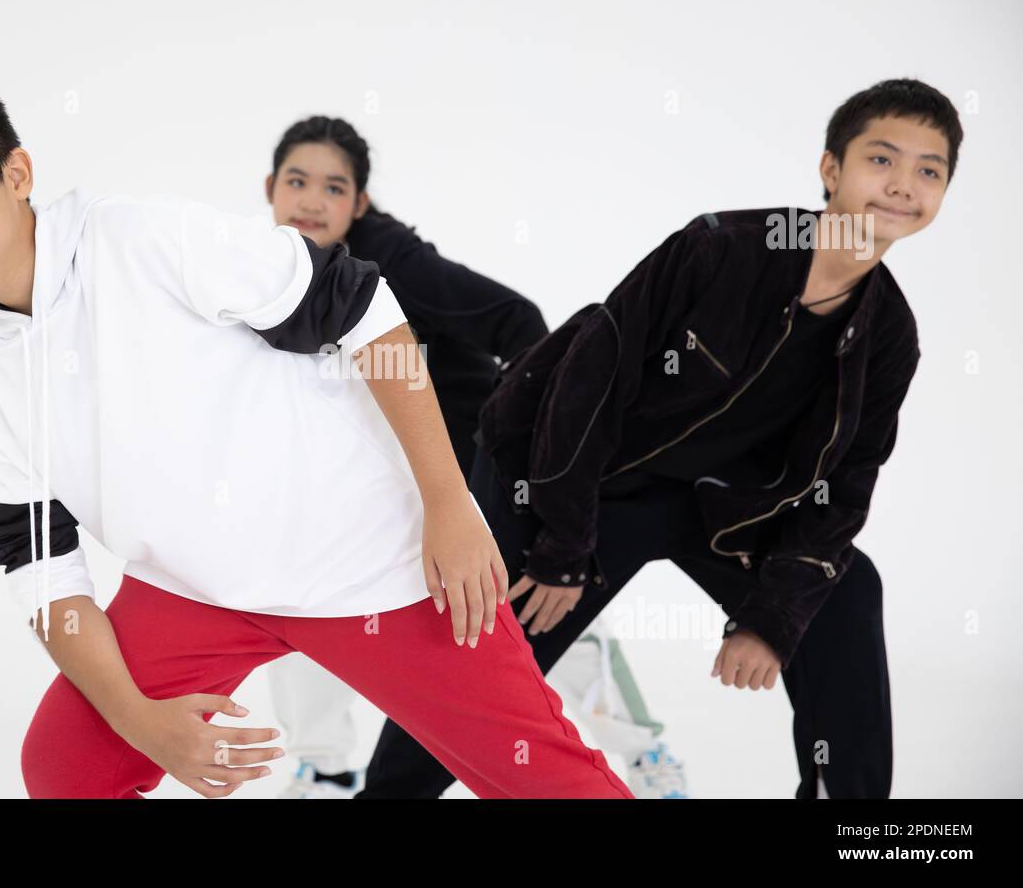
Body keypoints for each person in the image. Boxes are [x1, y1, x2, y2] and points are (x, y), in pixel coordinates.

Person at [0, 71, 634, 799]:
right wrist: (136, 720)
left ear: (15, 174)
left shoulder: (140, 239)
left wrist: (450, 504)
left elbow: (362, 306)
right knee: (67, 765)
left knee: (551, 783)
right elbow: (41, 564)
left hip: (376, 568)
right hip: (198, 596)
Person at [356, 77, 960, 799]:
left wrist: (770, 617)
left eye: (930, 171)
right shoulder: (724, 249)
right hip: (564, 474)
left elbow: (846, 488)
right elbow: (588, 382)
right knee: (488, 651)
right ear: (832, 170)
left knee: (848, 587)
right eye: (882, 160)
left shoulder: (889, 333)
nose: (903, 185)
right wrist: (561, 548)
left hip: (714, 510)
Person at [261, 116, 691, 798]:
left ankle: (647, 755)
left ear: (360, 204)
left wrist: (528, 446)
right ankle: (329, 768)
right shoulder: (267, 270)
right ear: (270, 189)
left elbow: (517, 319)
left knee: (529, 621)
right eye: (297, 181)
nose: (312, 200)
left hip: (472, 477)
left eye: (334, 187)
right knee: (298, 600)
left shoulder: (391, 260)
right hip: (375, 488)